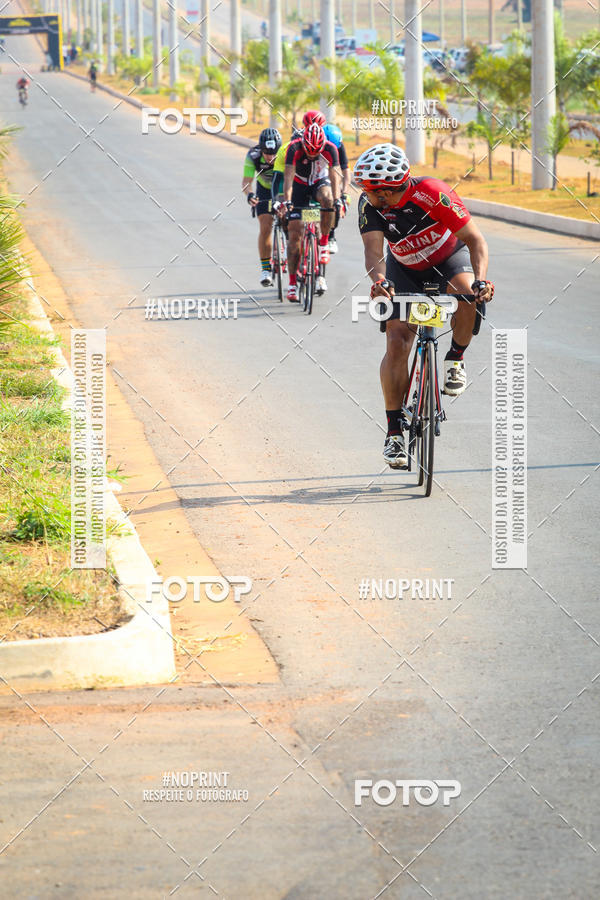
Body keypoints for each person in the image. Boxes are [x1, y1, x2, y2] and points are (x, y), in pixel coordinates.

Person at [354, 143, 494, 469]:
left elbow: (476, 240)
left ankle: (455, 359)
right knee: (397, 339)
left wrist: (481, 281)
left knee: (466, 295)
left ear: (387, 191)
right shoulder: (370, 205)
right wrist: (379, 282)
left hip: (448, 261)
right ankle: (393, 434)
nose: (364, 193)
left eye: (370, 190)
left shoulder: (433, 193)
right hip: (403, 271)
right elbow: (373, 252)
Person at [282, 123, 342, 300]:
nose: (313, 154)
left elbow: (335, 175)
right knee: (295, 235)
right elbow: (288, 178)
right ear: (303, 144)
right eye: (310, 151)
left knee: (328, 199)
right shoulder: (294, 148)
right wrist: (287, 201)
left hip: (318, 183)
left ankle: (323, 244)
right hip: (299, 187)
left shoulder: (331, 149)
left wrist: (337, 199)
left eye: (317, 151)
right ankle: (292, 283)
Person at [242, 127, 282, 286]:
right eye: (267, 153)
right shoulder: (253, 155)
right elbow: (246, 182)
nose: (271, 157)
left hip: (282, 188)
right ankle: (266, 269)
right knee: (265, 226)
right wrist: (250, 195)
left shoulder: (286, 153)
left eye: (274, 153)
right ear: (261, 149)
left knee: (291, 222)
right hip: (264, 190)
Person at [323, 124, 350, 254]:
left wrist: (344, 194)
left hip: (332, 177)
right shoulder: (316, 145)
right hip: (317, 176)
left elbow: (346, 172)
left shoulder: (339, 146)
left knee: (337, 203)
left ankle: (331, 236)